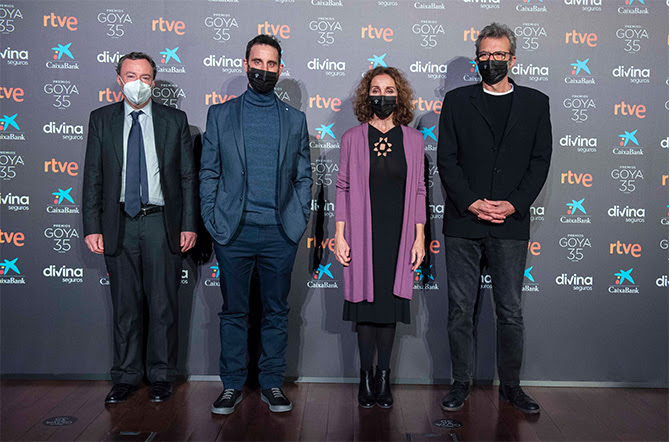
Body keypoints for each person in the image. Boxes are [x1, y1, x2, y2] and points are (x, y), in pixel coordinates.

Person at [437, 23, 552, 414]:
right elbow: (446, 160)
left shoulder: (537, 103)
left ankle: (512, 387)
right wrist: (472, 203)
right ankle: (460, 383)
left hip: (511, 223)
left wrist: (512, 205)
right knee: (459, 309)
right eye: (484, 55)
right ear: (477, 59)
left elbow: (540, 163)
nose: (491, 61)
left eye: (499, 55)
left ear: (513, 59)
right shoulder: (456, 101)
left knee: (511, 311)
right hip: (463, 222)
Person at [200, 34, 312, 415]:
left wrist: (295, 222)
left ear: (280, 68)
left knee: (276, 311)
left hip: (280, 233)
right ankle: (231, 385)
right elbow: (209, 172)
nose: (264, 69)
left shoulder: (294, 120)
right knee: (233, 311)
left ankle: (271, 384)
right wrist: (214, 219)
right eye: (257, 62)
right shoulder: (221, 114)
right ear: (245, 64)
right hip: (233, 232)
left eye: (271, 64)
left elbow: (303, 176)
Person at [82, 52, 197, 404]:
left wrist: (188, 224)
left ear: (153, 81)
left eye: (145, 77)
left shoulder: (174, 120)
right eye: (131, 75)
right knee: (125, 306)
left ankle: (161, 375)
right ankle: (127, 376)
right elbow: (93, 177)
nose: (138, 83)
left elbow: (187, 177)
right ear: (119, 79)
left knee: (163, 304)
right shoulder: (101, 120)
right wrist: (91, 225)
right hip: (119, 222)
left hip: (161, 222)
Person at [334, 67, 426, 409]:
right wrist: (340, 235)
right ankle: (364, 377)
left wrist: (419, 238)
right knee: (366, 309)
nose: (382, 95)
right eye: (376, 89)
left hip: (399, 234)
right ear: (367, 95)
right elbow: (342, 188)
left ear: (398, 96)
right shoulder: (351, 139)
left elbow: (419, 190)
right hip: (361, 231)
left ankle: (383, 378)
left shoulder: (414, 141)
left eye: (389, 89)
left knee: (388, 309)